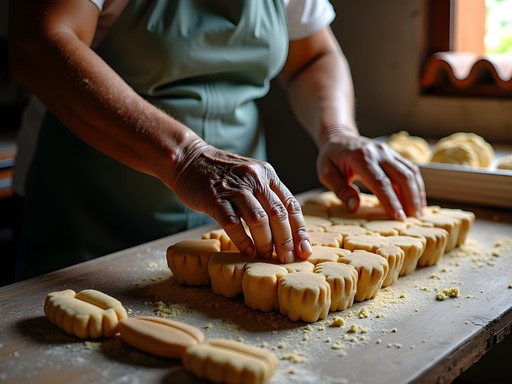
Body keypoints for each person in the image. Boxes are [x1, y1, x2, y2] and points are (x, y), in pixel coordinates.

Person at [8, 0, 426, 280]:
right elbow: (38, 42)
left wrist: (337, 131)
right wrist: (186, 158)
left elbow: (313, 56)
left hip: (236, 226)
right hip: (87, 230)